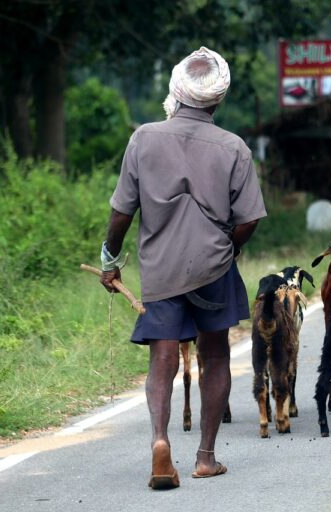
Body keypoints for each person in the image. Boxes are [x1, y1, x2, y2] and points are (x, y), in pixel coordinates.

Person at [99, 47, 266, 490]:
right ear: (217, 99)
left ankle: (159, 442)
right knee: (215, 355)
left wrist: (109, 259)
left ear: (176, 91)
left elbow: (121, 213)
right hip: (214, 266)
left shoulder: (144, 138)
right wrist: (226, 249)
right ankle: (206, 457)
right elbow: (249, 218)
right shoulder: (234, 147)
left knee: (163, 358)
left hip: (161, 270)